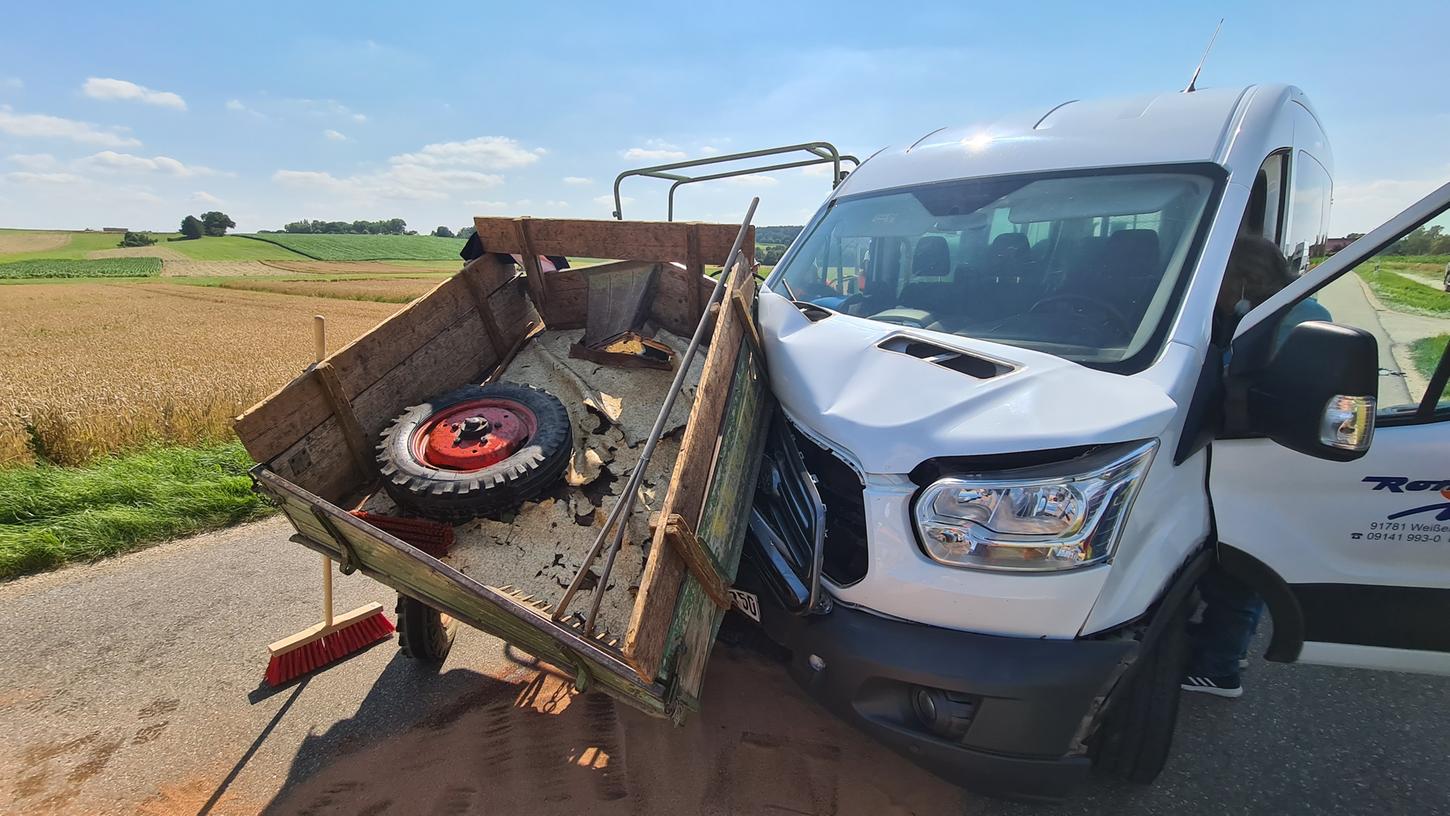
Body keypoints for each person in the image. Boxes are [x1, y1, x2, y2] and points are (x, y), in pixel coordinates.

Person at [1184, 234, 1320, 698]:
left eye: (1220, 284)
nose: (1217, 298)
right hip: (1259, 457)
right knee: (1234, 572)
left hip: (1270, 461)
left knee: (1236, 577)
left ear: (1245, 280)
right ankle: (1226, 648)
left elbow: (1268, 392)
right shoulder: (1281, 311)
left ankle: (1220, 670)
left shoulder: (1294, 324)